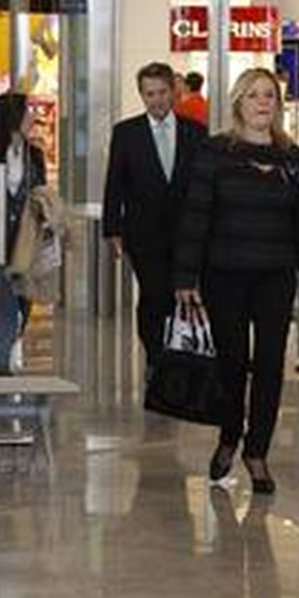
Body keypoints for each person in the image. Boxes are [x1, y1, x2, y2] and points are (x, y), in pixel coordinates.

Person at [174, 67, 299, 495]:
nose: (263, 103)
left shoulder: (292, 157)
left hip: (276, 275)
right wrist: (185, 276)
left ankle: (257, 451)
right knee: (232, 364)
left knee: (271, 366)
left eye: (269, 96)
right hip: (225, 275)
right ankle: (229, 436)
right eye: (254, 96)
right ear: (238, 103)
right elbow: (196, 216)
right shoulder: (216, 151)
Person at [103, 62, 208, 368]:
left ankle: (181, 354)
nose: (157, 100)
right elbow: (115, 182)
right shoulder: (126, 133)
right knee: (153, 295)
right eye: (150, 94)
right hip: (143, 233)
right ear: (141, 95)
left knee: (183, 294)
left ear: (173, 92)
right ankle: (155, 358)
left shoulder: (195, 133)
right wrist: (112, 230)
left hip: (187, 232)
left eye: (162, 92)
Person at [0, 90, 46, 376]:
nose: (33, 117)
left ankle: (9, 346)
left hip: (25, 239)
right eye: (28, 111)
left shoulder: (34, 155)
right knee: (1, 300)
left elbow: (40, 191)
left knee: (24, 299)